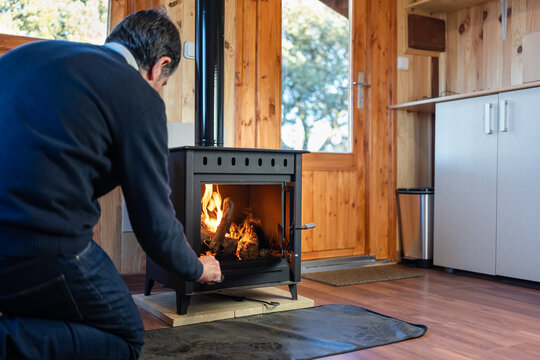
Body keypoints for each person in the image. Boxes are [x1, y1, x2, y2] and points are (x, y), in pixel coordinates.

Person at [0, 8, 222, 359]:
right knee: (124, 337)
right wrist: (198, 268)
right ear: (159, 66)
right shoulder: (139, 95)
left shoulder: (27, 55)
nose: (159, 92)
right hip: (41, 246)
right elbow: (155, 224)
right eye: (163, 84)